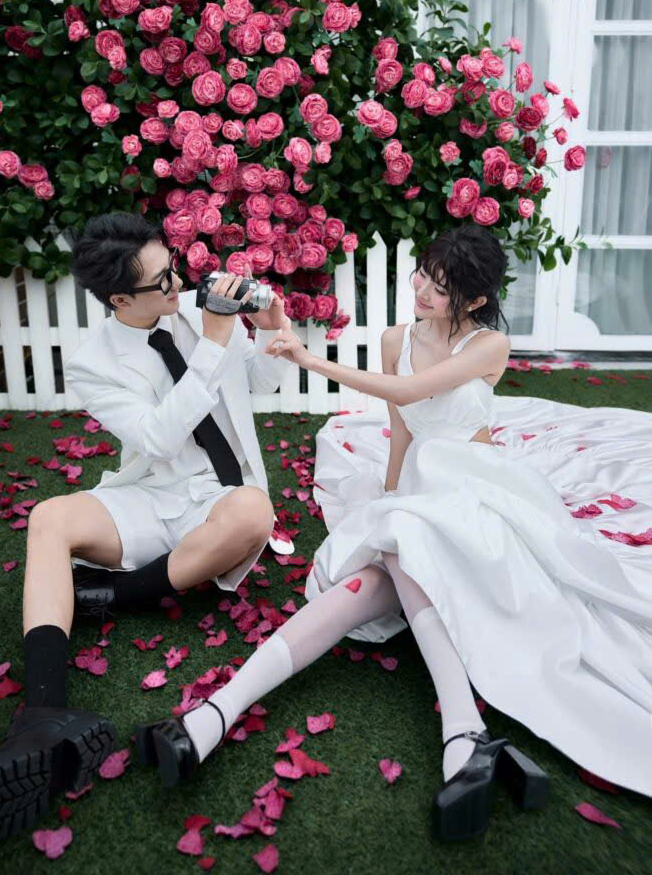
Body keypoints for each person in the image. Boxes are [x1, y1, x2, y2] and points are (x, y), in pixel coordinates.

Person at [134, 224, 652, 843]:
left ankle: (457, 730)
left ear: (475, 300)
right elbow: (402, 427)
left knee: (399, 541)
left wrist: (309, 359)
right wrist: (388, 498)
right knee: (370, 575)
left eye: (441, 288)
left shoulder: (489, 345)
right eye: (423, 275)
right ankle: (216, 715)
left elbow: (409, 390)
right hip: (421, 491)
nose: (422, 291)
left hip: (480, 491)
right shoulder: (394, 339)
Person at [0, 212, 293, 843]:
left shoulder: (202, 312)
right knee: (47, 517)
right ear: (119, 298)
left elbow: (259, 381)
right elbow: (158, 438)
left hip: (221, 501)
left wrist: (274, 330)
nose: (179, 284)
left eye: (173, 266)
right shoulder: (93, 363)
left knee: (255, 510)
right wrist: (214, 343)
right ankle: (42, 714)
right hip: (154, 493)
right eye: (161, 280)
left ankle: (112, 594)